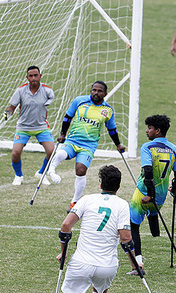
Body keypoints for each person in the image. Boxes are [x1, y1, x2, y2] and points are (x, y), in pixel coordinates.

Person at [57, 165, 132, 293]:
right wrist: (136, 263)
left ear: (100, 185)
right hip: (107, 267)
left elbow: (65, 227)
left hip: (80, 264)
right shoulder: (122, 205)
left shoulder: (86, 200)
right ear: (119, 186)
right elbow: (126, 238)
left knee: (78, 286)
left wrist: (63, 253)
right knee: (100, 291)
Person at [48, 81, 126, 210]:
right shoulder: (79, 101)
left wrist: (118, 145)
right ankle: (51, 170)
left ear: (105, 94)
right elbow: (68, 117)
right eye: (94, 90)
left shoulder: (107, 110)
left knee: (81, 170)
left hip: (89, 145)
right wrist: (62, 134)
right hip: (73, 140)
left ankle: (75, 202)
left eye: (99, 91)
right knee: (61, 153)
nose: (96, 93)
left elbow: (111, 129)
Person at [129, 115, 176, 274]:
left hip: (144, 193)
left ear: (157, 131)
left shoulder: (147, 147)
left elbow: (148, 171)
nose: (147, 131)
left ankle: (138, 264)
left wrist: (149, 194)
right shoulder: (174, 148)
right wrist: (175, 189)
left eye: (149, 128)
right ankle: (155, 233)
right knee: (153, 212)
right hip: (161, 195)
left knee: (133, 226)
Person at [3, 65, 55, 186]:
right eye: (31, 76)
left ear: (40, 76)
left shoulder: (47, 91)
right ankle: (18, 176)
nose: (34, 78)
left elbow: (51, 98)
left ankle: (41, 173)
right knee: (15, 153)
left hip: (41, 127)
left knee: (52, 151)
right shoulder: (20, 91)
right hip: (23, 128)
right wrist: (7, 114)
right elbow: (12, 107)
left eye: (36, 75)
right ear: (27, 78)